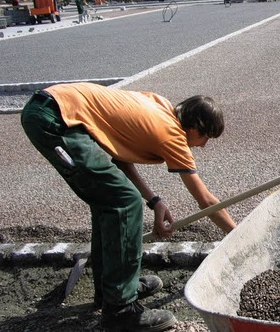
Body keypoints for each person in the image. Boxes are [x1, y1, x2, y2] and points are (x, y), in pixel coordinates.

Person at [20, 82, 237, 331]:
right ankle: (120, 311)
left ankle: (109, 290)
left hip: (58, 109)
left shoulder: (159, 106)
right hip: (56, 120)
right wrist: (236, 233)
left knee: (110, 200)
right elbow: (206, 200)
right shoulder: (171, 134)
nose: (203, 145)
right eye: (205, 137)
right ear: (195, 126)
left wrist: (155, 201)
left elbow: (120, 159)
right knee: (124, 202)